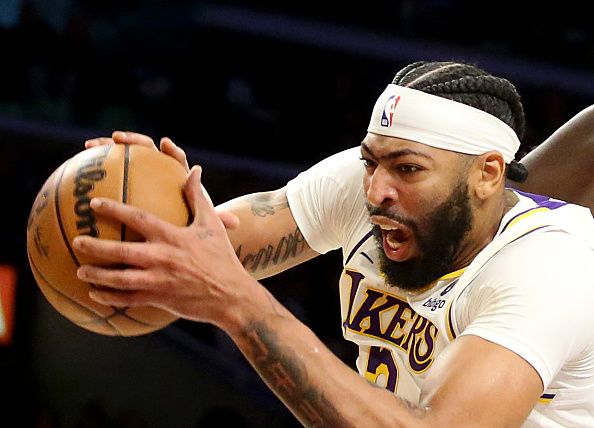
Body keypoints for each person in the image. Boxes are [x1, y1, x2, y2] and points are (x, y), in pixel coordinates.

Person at [76, 61, 594, 427]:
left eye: (409, 168)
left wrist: (236, 303)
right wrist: (154, 202)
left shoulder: (551, 266)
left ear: (487, 174)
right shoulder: (368, 185)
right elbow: (212, 250)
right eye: (372, 161)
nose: (375, 191)